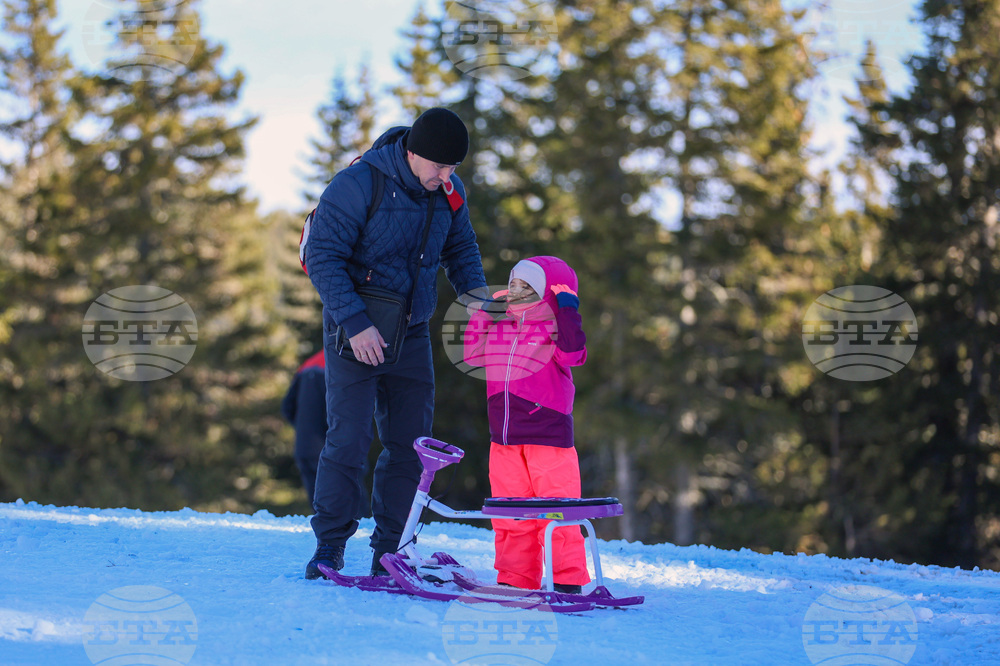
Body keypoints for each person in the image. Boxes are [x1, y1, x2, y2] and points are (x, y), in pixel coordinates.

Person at [303, 107, 488, 579]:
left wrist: (477, 298)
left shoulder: (448, 192)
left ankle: (392, 550)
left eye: (453, 168)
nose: (445, 176)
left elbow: (461, 249)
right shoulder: (358, 184)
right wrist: (354, 322)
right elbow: (322, 256)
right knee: (349, 439)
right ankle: (329, 546)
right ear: (412, 153)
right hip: (356, 331)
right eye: (439, 166)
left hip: (411, 332)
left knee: (411, 446)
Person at [463, 256, 591, 594]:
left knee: (558, 513)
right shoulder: (501, 328)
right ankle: (516, 578)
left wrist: (567, 311)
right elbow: (473, 355)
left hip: (548, 437)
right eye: (514, 284)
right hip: (504, 439)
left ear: (548, 293)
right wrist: (482, 315)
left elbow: (573, 354)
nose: (516, 291)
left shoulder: (554, 329)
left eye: (527, 286)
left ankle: (567, 581)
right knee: (510, 513)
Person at [280, 349, 327, 503]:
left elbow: (287, 407)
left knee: (319, 505)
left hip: (306, 447)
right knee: (354, 506)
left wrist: (304, 429)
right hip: (336, 450)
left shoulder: (309, 363)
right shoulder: (347, 360)